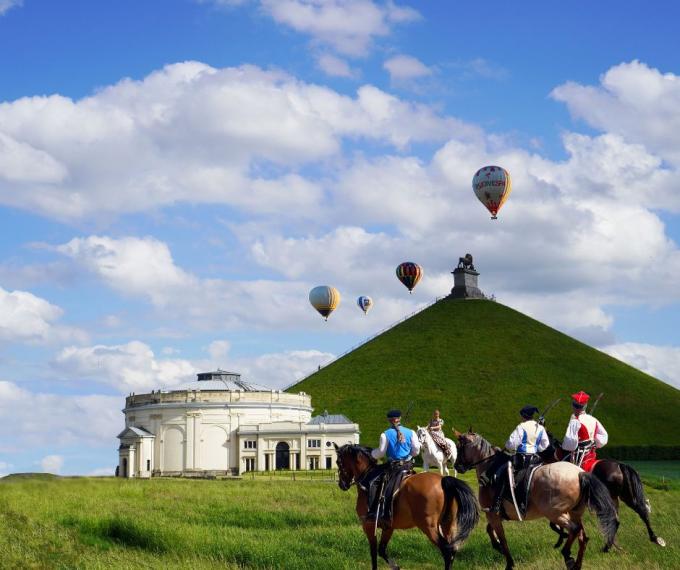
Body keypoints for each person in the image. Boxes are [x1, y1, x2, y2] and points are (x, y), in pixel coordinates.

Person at [489, 404, 549, 516]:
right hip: (536, 459)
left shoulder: (521, 427)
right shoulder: (540, 427)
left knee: (503, 473)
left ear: (523, 416)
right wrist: (536, 448)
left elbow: (511, 444)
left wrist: (511, 447)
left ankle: (496, 505)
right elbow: (545, 444)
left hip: (522, 459)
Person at [368, 409, 421, 523]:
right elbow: (416, 451)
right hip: (408, 466)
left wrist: (371, 454)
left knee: (373, 481)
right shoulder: (411, 432)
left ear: (389, 420)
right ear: (400, 419)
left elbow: (381, 453)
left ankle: (374, 512)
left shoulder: (385, 434)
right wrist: (407, 456)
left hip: (393, 468)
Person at [561, 390, 608, 472]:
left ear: (573, 406)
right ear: (585, 406)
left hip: (578, 458)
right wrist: (593, 443)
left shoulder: (575, 421)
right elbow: (603, 437)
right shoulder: (593, 420)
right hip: (591, 455)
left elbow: (569, 445)